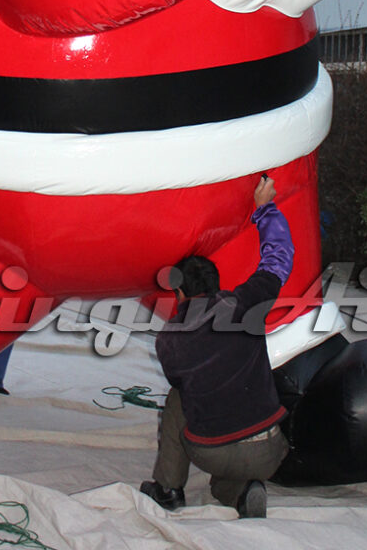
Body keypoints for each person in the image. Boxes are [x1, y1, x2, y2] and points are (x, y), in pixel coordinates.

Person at [140, 174, 293, 519]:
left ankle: (168, 489)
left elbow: (184, 385)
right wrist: (265, 208)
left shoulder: (169, 339)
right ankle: (244, 492)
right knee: (224, 478)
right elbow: (279, 258)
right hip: (271, 449)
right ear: (217, 285)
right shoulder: (244, 304)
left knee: (178, 399)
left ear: (178, 293)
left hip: (210, 450)